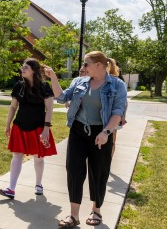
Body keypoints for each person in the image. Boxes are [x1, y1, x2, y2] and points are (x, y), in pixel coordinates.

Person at [43, 51, 127, 227]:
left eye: (86, 64)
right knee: (74, 170)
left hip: (101, 133)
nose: (83, 68)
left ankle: (96, 211)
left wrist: (106, 132)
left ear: (98, 65)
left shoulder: (117, 85)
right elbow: (61, 97)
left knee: (98, 172)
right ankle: (74, 215)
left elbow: (118, 112)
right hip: (78, 131)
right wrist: (53, 77)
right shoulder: (79, 82)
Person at [0, 58, 57, 199]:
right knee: (17, 155)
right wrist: (8, 124)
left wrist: (46, 129)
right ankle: (11, 189)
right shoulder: (19, 86)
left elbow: (49, 109)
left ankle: (38, 184)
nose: (22, 69)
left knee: (38, 158)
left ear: (34, 71)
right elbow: (13, 107)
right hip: (20, 125)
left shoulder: (44, 87)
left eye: (26, 68)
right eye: (22, 67)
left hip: (38, 128)